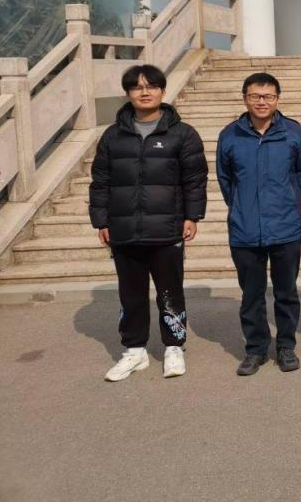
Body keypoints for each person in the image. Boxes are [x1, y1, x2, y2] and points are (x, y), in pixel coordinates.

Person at [89, 64, 207, 381]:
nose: (145, 92)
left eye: (151, 86)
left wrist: (192, 216)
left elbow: (195, 180)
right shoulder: (113, 136)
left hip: (167, 229)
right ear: (128, 93)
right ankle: (135, 350)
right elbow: (100, 182)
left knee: (170, 292)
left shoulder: (182, 133)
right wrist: (100, 220)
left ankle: (174, 347)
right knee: (131, 294)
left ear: (162, 91)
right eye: (137, 87)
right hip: (124, 229)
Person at [217, 72, 301, 376]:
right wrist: (243, 205)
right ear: (245, 99)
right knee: (251, 295)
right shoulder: (230, 135)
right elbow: (225, 179)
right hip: (245, 228)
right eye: (255, 96)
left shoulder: (293, 132)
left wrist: (285, 199)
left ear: (277, 99)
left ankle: (286, 346)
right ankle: (256, 349)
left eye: (268, 96)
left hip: (285, 226)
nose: (262, 101)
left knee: (286, 292)